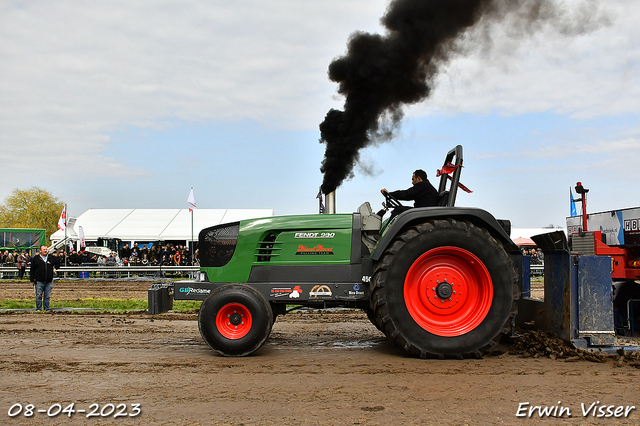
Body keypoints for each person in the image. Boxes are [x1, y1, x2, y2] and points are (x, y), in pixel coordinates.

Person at [29, 245, 60, 311]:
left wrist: (55, 268)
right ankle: (38, 309)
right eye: (44, 249)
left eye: (46, 249)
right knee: (39, 295)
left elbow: (58, 262)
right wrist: (32, 280)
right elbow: (32, 270)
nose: (45, 250)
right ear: (40, 250)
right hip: (39, 281)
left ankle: (47, 308)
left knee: (47, 296)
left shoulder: (51, 258)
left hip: (49, 281)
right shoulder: (36, 259)